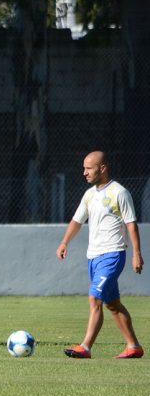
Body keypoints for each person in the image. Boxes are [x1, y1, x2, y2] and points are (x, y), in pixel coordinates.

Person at [56, 151, 144, 359]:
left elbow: (131, 224)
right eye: (84, 168)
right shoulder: (89, 195)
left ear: (102, 168)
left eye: (89, 168)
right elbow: (77, 221)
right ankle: (133, 347)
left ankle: (85, 347)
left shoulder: (119, 193)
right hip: (93, 257)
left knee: (94, 297)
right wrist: (64, 242)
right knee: (112, 304)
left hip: (112, 254)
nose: (84, 172)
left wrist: (136, 254)